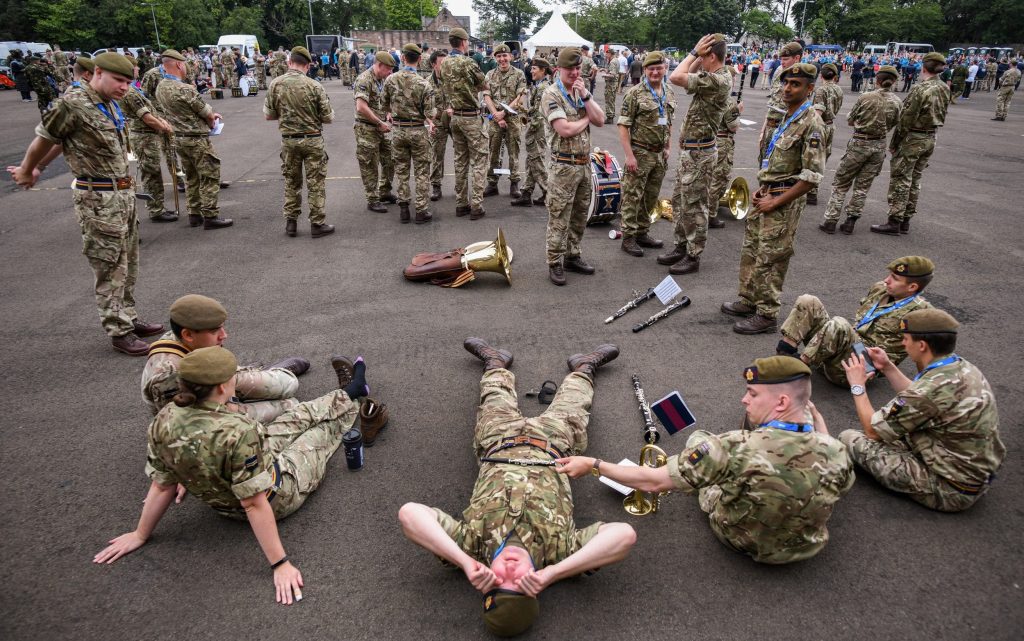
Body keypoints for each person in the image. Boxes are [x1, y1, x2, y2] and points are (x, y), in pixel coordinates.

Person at [94, 345, 373, 604]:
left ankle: (349, 391)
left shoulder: (164, 420)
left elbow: (162, 485)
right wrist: (280, 564)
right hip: (278, 492)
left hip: (235, 484)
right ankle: (355, 402)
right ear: (221, 387)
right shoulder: (238, 431)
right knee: (321, 434)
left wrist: (140, 533)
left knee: (292, 419)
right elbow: (254, 502)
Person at [398, 338, 635, 637]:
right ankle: (585, 367)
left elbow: (410, 514)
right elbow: (624, 536)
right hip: (554, 444)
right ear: (535, 587)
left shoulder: (470, 546)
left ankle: (495, 361)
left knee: (495, 396)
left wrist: (464, 562)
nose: (509, 573)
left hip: (498, 441)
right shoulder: (560, 553)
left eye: (498, 583)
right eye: (521, 584)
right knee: (573, 403)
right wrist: (553, 573)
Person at [558, 356, 854, 564]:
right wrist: (821, 432)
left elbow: (654, 481)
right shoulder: (838, 451)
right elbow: (839, 485)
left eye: (752, 394)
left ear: (781, 402)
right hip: (806, 548)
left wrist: (593, 464)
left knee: (699, 438)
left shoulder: (733, 446)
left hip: (741, 537)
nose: (744, 400)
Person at [7, 52, 165, 356]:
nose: (124, 87)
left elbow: (63, 141)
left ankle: (128, 316)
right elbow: (47, 137)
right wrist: (29, 169)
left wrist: (38, 168)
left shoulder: (107, 103)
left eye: (128, 81)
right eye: (119, 80)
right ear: (97, 73)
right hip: (97, 198)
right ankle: (119, 330)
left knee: (128, 261)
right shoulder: (73, 102)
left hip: (121, 193)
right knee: (109, 265)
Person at [839, 309, 1004, 512]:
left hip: (952, 489)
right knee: (896, 430)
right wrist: (888, 367)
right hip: (972, 470)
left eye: (906, 339)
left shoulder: (925, 393)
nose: (903, 344)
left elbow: (873, 430)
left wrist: (857, 386)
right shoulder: (962, 368)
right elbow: (922, 398)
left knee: (850, 438)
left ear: (922, 345)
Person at [722, 63, 825, 335]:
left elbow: (811, 176)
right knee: (752, 250)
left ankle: (767, 313)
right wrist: (763, 189)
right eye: (786, 83)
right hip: (767, 193)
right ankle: (748, 299)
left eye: (796, 84)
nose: (788, 88)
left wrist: (776, 201)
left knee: (772, 256)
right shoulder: (786, 116)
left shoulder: (812, 123)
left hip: (783, 202)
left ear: (810, 88)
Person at [139, 293, 344, 422]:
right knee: (290, 403)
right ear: (187, 335)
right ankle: (271, 376)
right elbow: (177, 423)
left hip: (214, 384)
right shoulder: (169, 376)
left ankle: (274, 374)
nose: (224, 335)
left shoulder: (180, 338)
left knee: (289, 384)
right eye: (214, 331)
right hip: (209, 412)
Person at [777, 255, 934, 385]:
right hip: (842, 346)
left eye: (894, 278)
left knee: (839, 324)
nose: (887, 280)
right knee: (808, 301)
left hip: (862, 367)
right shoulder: (880, 289)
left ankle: (795, 368)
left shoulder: (921, 313)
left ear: (912, 287)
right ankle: (785, 353)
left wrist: (921, 388)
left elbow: (924, 352)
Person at [656, 35, 731, 275]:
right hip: (692, 151)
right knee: (680, 200)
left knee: (695, 205)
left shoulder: (718, 80)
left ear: (710, 56)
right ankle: (680, 246)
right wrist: (700, 55)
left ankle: (693, 254)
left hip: (700, 153)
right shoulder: (713, 77)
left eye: (703, 56)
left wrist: (693, 52)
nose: (700, 60)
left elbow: (676, 76)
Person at [542, 48, 606, 286]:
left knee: (580, 215)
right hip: (563, 167)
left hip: (583, 164)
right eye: (570, 69)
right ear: (559, 69)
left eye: (578, 68)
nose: (575, 73)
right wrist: (586, 118)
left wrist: (587, 98)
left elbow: (601, 119)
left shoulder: (581, 92)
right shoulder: (551, 94)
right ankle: (555, 262)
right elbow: (564, 130)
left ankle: (572, 255)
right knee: (559, 217)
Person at [872, 52, 949, 236]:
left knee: (901, 179)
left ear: (923, 67)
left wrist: (895, 142)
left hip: (913, 137)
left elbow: (906, 118)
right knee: (915, 179)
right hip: (930, 136)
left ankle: (894, 221)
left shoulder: (920, 89)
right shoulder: (945, 88)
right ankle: (906, 219)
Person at [820, 65, 902, 234]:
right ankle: (851, 221)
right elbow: (895, 124)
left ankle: (831, 220)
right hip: (879, 146)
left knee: (841, 183)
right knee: (862, 187)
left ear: (877, 80)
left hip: (860, 142)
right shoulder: (897, 102)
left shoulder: (866, 97)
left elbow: (850, 119)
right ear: (893, 81)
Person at [264, 46, 336, 238]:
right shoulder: (315, 86)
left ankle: (291, 223)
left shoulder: (275, 84)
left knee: (291, 182)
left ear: (289, 62)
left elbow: (269, 115)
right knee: (316, 183)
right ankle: (317, 224)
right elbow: (328, 118)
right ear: (308, 65)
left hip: (289, 140)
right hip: (312, 139)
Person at [156, 52, 233, 230]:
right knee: (209, 175)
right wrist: (212, 119)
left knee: (191, 177)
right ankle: (210, 215)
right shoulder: (184, 88)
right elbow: (206, 113)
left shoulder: (161, 87)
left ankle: (194, 213)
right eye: (184, 64)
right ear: (178, 65)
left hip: (179, 138)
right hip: (197, 139)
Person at [616, 51, 676, 257]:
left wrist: (668, 146)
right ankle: (629, 237)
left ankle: (642, 231)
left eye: (659, 68)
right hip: (640, 152)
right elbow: (623, 126)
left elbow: (668, 121)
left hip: (659, 155)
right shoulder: (634, 93)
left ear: (665, 69)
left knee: (651, 197)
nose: (655, 72)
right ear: (645, 70)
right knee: (633, 196)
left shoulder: (669, 91)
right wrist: (629, 155)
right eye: (651, 69)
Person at [441, 27, 499, 221]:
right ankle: (476, 204)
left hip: (455, 117)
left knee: (460, 161)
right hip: (471, 118)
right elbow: (484, 84)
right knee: (480, 161)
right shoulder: (468, 62)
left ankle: (461, 203)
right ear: (464, 42)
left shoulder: (445, 63)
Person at [121, 54, 178, 224]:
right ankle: (156, 209)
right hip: (144, 136)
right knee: (151, 173)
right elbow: (147, 117)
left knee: (152, 171)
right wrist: (165, 127)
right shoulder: (131, 93)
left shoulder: (133, 89)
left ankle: (157, 207)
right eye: (136, 67)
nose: (139, 69)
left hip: (146, 135)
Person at [383, 43, 436, 224]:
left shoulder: (390, 80)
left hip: (398, 130)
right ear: (420, 59)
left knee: (401, 170)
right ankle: (421, 210)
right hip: (417, 130)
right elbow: (430, 113)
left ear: (403, 58)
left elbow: (384, 105)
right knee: (422, 171)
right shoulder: (424, 83)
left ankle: (404, 208)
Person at [354, 51, 398, 213]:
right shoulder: (364, 79)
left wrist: (387, 113)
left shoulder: (382, 80)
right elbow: (361, 106)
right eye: (388, 69)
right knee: (369, 164)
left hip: (381, 128)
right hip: (367, 129)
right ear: (379, 65)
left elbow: (384, 102)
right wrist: (379, 122)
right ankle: (372, 199)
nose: (390, 73)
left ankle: (384, 192)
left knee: (390, 159)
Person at [483, 44, 528, 199]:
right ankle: (492, 183)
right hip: (495, 119)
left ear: (511, 57)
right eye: (499, 56)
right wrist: (495, 113)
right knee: (493, 151)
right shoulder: (489, 74)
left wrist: (504, 112)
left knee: (513, 152)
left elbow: (520, 96)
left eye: (505, 56)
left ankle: (514, 183)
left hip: (513, 119)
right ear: (495, 58)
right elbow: (486, 95)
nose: (502, 59)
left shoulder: (518, 74)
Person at [511, 58, 553, 207]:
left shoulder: (543, 88)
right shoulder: (540, 85)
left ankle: (550, 193)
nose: (531, 71)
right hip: (537, 127)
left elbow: (539, 113)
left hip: (537, 129)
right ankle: (526, 193)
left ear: (543, 70)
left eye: (534, 68)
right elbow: (534, 110)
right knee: (531, 161)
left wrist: (525, 115)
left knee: (537, 162)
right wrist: (520, 108)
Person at [806, 63, 843, 206]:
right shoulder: (839, 90)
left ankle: (811, 192)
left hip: (819, 127)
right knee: (823, 158)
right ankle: (814, 189)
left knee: (814, 157)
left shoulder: (821, 90)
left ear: (821, 76)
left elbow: (818, 113)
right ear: (835, 76)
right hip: (830, 125)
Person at [758, 43, 801, 164]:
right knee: (764, 165)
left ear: (796, 58)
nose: (782, 62)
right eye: (782, 59)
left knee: (778, 169)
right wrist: (763, 130)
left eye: (786, 59)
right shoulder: (779, 71)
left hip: (785, 130)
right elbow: (772, 103)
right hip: (770, 127)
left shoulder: (801, 78)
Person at [709, 92, 741, 225]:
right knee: (719, 179)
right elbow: (734, 127)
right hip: (722, 142)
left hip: (708, 140)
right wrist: (738, 111)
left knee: (707, 176)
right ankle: (710, 215)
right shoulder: (729, 101)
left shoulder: (707, 96)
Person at [428, 50, 450, 202]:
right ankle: (436, 186)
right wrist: (437, 114)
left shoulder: (453, 79)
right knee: (437, 155)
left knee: (462, 154)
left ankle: (463, 185)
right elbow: (424, 107)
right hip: (438, 123)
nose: (445, 67)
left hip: (455, 120)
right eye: (442, 63)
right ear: (433, 64)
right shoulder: (426, 84)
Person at [602, 51, 621, 123]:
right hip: (614, 84)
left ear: (610, 54)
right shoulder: (616, 60)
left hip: (611, 84)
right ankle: (611, 116)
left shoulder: (612, 62)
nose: (606, 55)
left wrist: (604, 75)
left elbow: (612, 75)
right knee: (612, 100)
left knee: (609, 100)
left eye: (607, 54)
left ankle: (610, 117)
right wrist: (605, 70)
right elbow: (614, 71)